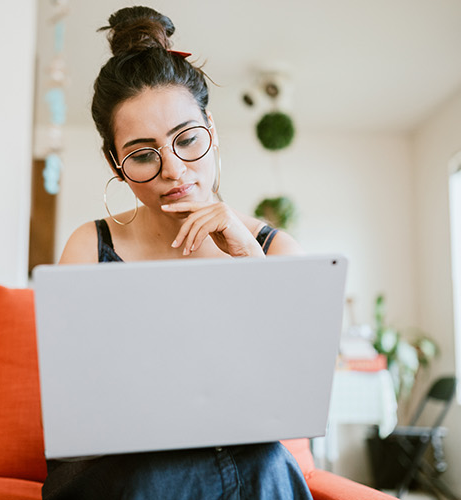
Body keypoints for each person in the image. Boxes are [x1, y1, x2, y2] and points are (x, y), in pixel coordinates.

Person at [42, 6, 312, 500]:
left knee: (266, 459)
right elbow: (72, 400)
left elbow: (296, 395)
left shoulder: (275, 250)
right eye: (144, 155)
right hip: (112, 467)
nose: (173, 170)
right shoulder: (90, 245)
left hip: (240, 453)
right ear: (115, 163)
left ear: (210, 126)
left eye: (187, 139)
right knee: (164, 473)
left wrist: (250, 262)